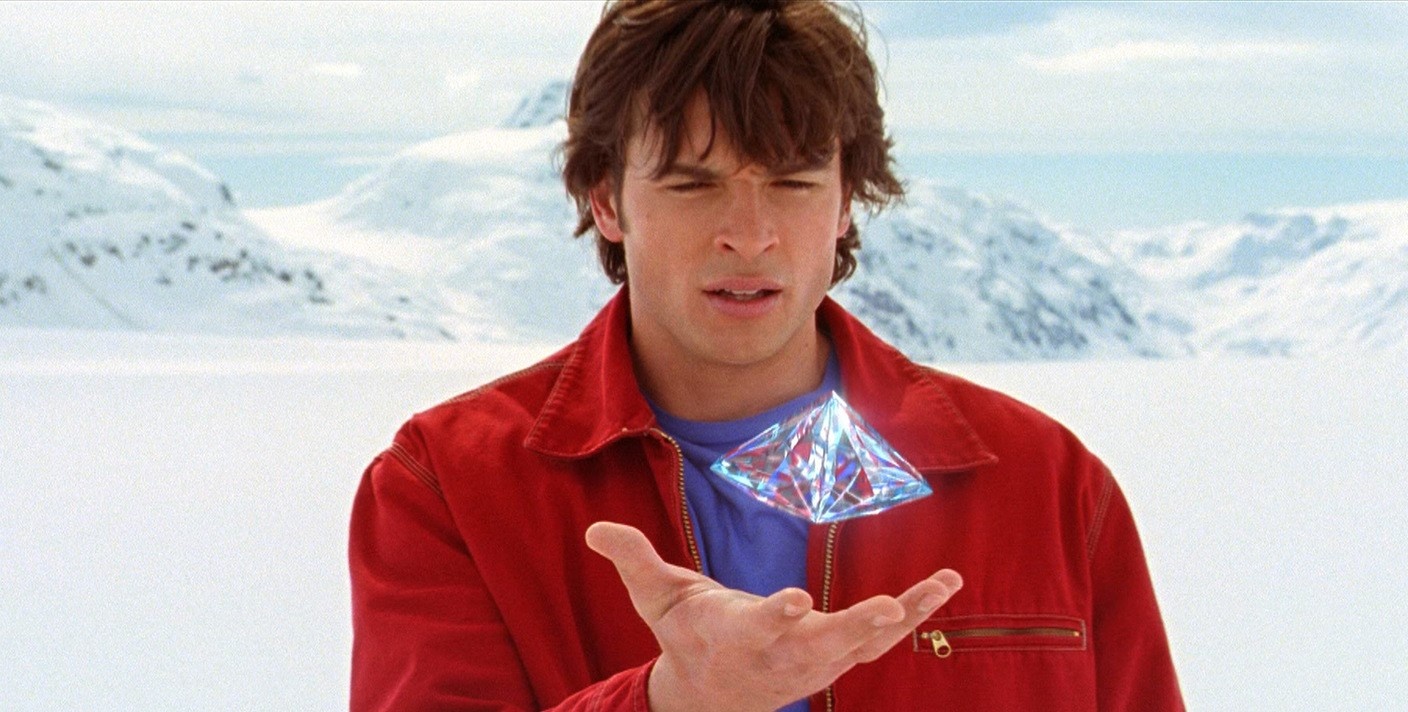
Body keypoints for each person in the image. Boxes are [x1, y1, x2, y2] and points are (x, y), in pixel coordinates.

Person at [348, 1, 1185, 710]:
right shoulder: (448, 488)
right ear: (606, 199)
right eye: (692, 183)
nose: (749, 236)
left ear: (846, 200)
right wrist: (668, 702)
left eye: (792, 182)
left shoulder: (1049, 487)